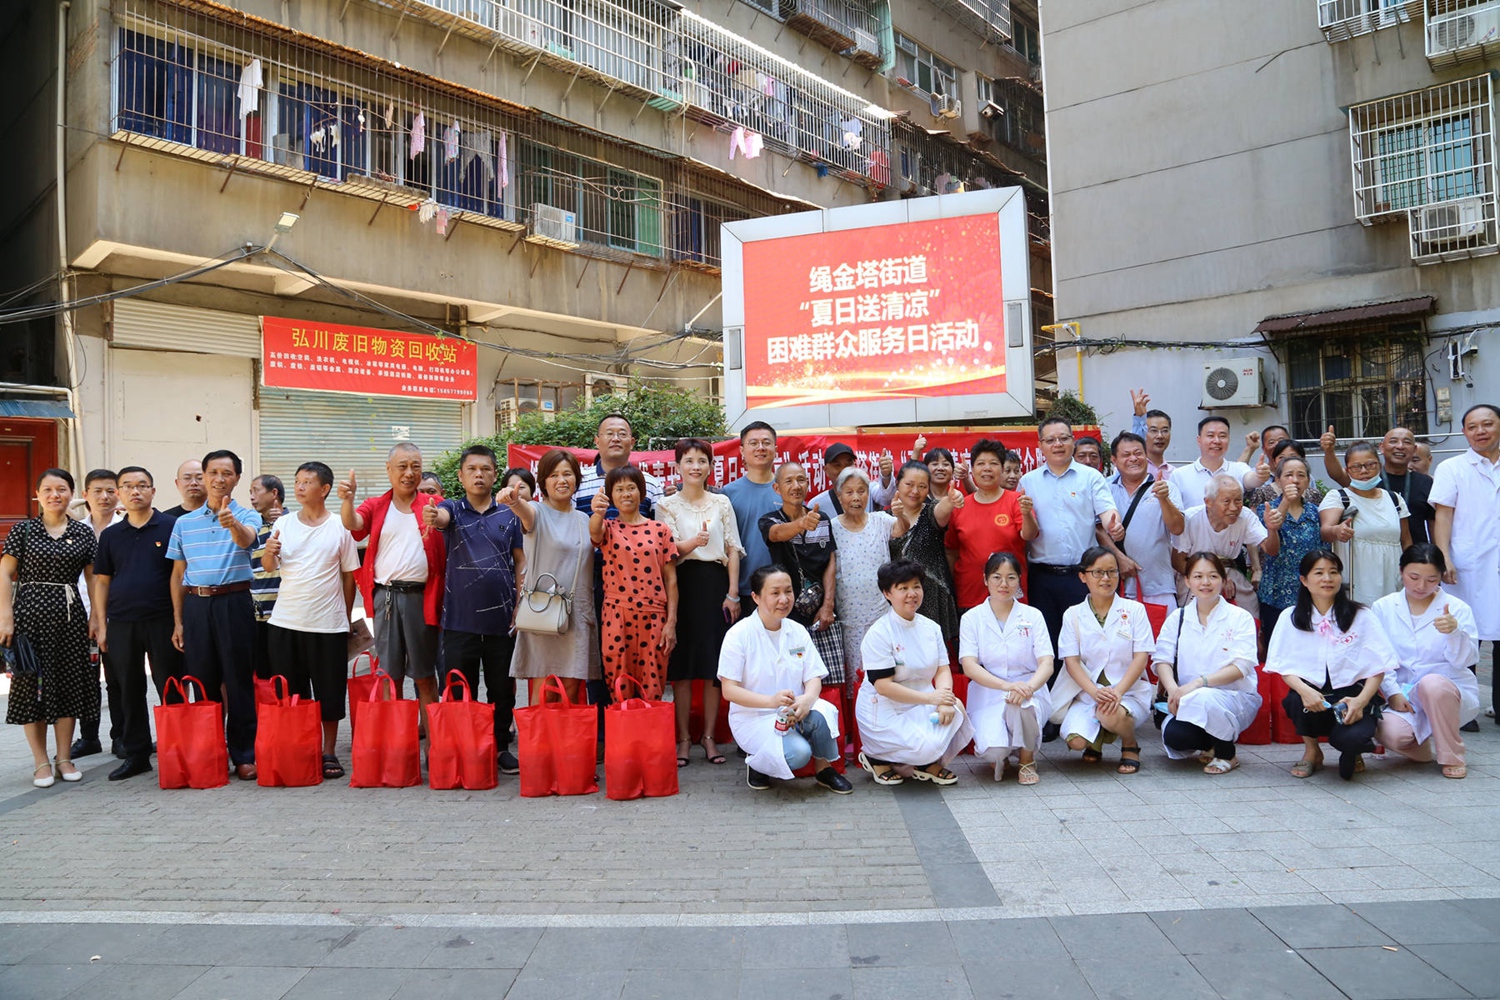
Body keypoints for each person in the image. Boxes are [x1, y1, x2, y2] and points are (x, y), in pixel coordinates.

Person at [424, 445, 525, 774]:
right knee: (457, 688)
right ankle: (462, 748)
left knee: (501, 690)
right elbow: (440, 518)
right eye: (472, 469)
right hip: (459, 620)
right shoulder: (452, 509)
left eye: (485, 469)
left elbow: (520, 562)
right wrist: (433, 516)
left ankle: (500, 747)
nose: (478, 475)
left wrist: (520, 606)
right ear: (461, 476)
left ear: (495, 475)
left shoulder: (510, 514)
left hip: (501, 620)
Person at [262, 462, 360, 781]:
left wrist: (346, 617)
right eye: (297, 482)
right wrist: (269, 551)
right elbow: (268, 566)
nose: (300, 487)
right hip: (285, 622)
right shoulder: (284, 523)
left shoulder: (340, 526)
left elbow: (349, 577)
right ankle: (301, 749)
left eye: (307, 482)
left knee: (330, 692)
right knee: (291, 692)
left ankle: (328, 751)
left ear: (325, 489)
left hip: (327, 624)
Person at [168, 450, 262, 780]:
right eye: (213, 472)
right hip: (196, 605)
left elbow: (246, 540)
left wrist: (231, 523)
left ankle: (244, 754)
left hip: (233, 603)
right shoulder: (183, 523)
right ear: (204, 476)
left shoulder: (248, 515)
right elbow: (177, 574)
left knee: (238, 681)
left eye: (227, 473)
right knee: (202, 681)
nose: (219, 479)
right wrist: (178, 621)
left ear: (237, 479)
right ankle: (210, 752)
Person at [1, 469, 98, 787]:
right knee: (30, 686)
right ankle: (41, 761)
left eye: (61, 489)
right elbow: (5, 573)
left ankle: (64, 758)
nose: (55, 495)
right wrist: (5, 615)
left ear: (72, 493)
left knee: (68, 684)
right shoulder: (24, 530)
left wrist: (97, 616)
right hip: (28, 617)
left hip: (70, 619)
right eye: (48, 490)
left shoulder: (83, 533)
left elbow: (94, 578)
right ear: (38, 495)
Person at [717, 564, 852, 793]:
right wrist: (771, 701)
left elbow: (813, 676)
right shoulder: (738, 635)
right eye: (775, 593)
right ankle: (758, 762)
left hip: (794, 710)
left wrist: (807, 700)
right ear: (756, 597)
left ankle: (824, 770)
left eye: (788, 591)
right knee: (799, 754)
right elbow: (729, 690)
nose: (784, 599)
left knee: (823, 713)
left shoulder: (797, 630)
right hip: (755, 718)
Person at [90, 465, 186, 781]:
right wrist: (102, 624)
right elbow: (102, 581)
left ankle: (178, 752)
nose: (135, 491)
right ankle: (137, 755)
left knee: (170, 686)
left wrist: (179, 621)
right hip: (122, 623)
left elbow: (179, 576)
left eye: (142, 485)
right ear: (119, 492)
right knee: (128, 690)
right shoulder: (111, 535)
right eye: (128, 486)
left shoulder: (171, 526)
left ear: (153, 491)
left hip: (162, 621)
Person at [1265, 549, 1393, 780]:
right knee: (1296, 700)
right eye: (1319, 573)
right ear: (1304, 580)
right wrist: (1305, 691)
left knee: (1353, 740)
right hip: (1314, 697)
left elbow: (1378, 666)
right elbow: (1283, 666)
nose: (1327, 578)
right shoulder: (1290, 617)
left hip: (1353, 696)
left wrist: (1361, 700)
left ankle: (1352, 749)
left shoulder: (1361, 615)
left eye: (1333, 572)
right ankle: (1312, 751)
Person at [340, 443, 446, 715]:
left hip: (421, 599)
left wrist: (437, 517)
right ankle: (397, 739)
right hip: (385, 598)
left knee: (424, 675)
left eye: (415, 467)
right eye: (402, 466)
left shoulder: (433, 505)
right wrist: (348, 501)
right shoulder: (376, 505)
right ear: (389, 470)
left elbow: (446, 521)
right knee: (389, 673)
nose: (409, 473)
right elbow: (353, 524)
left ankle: (431, 738)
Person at [657, 438, 743, 768]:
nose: (696, 466)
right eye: (689, 460)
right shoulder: (666, 505)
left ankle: (708, 737)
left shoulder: (721, 502)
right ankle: (683, 738)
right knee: (681, 669)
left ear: (710, 466)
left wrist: (732, 593)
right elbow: (668, 550)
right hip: (681, 586)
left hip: (715, 585)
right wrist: (694, 542)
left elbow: (733, 548)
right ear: (678, 466)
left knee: (712, 668)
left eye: (702, 461)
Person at [854, 559, 973, 786]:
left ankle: (923, 763)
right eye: (903, 588)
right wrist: (932, 699)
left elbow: (942, 670)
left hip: (923, 702)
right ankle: (877, 757)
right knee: (927, 747)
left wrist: (944, 700)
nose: (912, 594)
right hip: (886, 709)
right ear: (887, 593)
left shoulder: (931, 628)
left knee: (955, 708)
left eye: (916, 586)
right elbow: (883, 686)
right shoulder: (879, 633)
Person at [1372, 545, 1479, 779]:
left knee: (1432, 684)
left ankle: (1452, 755)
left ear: (1441, 576)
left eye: (1431, 580)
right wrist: (1392, 692)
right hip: (1406, 694)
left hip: (1448, 691)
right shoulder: (1383, 607)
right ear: (1401, 571)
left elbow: (1465, 661)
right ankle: (1421, 750)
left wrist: (1454, 632)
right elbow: (1379, 657)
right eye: (1414, 577)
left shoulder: (1457, 608)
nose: (1421, 586)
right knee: (1389, 732)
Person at [1019, 417, 1123, 654]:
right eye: (1050, 440)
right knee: (1047, 643)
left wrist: (1113, 524)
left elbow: (1107, 510)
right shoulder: (1028, 481)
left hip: (1082, 576)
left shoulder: (1091, 477)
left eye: (1063, 438)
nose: (1058, 444)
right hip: (1042, 577)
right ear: (1040, 445)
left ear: (1072, 441)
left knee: (1086, 642)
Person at [502, 449, 598, 704]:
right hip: (543, 612)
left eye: (567, 474)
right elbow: (523, 510)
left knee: (573, 688)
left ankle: (567, 734)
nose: (561, 480)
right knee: (545, 686)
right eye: (554, 475)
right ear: (543, 482)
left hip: (578, 614)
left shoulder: (584, 519)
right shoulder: (536, 511)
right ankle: (540, 733)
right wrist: (513, 500)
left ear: (577, 478)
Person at [1152, 553, 1262, 775]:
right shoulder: (1178, 617)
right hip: (1187, 698)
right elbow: (1162, 659)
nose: (1205, 582)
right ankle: (1211, 743)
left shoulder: (1240, 617)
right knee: (1175, 737)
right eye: (1198, 576)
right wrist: (1173, 691)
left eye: (1213, 576)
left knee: (1203, 697)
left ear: (1223, 580)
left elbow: (1241, 667)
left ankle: (1227, 754)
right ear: (1187, 581)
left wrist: (1197, 684)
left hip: (1234, 697)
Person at [1051, 547, 1156, 773]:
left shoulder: (1135, 610)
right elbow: (1071, 662)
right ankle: (1095, 739)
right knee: (1076, 742)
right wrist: (1094, 692)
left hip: (1127, 692)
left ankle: (1130, 744)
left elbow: (1141, 657)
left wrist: (1118, 692)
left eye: (1112, 572)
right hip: (1088, 693)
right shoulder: (1073, 614)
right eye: (1098, 572)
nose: (1106, 578)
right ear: (1083, 576)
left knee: (1108, 713)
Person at [959, 552, 1054, 784]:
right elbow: (969, 666)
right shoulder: (972, 618)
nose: (1004, 584)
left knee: (1023, 706)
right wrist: (1007, 686)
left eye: (1011, 577)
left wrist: (1028, 688)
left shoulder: (1033, 615)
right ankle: (1003, 752)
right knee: (994, 751)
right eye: (996, 577)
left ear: (1019, 580)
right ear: (985, 579)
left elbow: (1047, 663)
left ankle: (1026, 759)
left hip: (1028, 686)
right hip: (990, 688)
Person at [1431, 403, 1500, 721]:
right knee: (1464, 635)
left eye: (1487, 424)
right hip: (1467, 566)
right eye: (1472, 427)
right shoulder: (1452, 468)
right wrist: (1444, 556)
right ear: (1464, 432)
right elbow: (1443, 517)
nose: (1480, 431)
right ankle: (1463, 711)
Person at [589, 464, 678, 704]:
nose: (626, 494)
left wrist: (671, 622)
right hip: (617, 615)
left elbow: (671, 580)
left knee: (654, 684)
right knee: (618, 681)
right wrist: (597, 512)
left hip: (654, 616)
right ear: (611, 495)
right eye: (619, 489)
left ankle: (649, 729)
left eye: (631, 488)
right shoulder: (608, 527)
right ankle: (623, 729)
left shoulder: (660, 529)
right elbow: (594, 533)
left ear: (642, 492)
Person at [758, 462, 843, 700]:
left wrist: (828, 605)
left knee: (830, 680)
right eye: (789, 481)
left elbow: (830, 563)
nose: (796, 486)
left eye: (801, 480)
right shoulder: (769, 520)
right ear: (777, 488)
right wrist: (801, 524)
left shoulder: (822, 519)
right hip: (786, 613)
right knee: (792, 678)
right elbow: (776, 534)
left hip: (822, 612)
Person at [830, 467, 910, 693]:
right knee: (856, 674)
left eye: (861, 491)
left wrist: (901, 514)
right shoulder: (832, 527)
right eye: (849, 492)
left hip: (881, 612)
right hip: (849, 615)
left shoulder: (880, 520)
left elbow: (901, 529)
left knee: (885, 667)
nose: (856, 497)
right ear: (839, 496)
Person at [945, 440, 1034, 615]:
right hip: (970, 594)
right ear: (972, 470)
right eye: (981, 464)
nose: (987, 468)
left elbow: (1029, 535)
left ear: (1001, 469)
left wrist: (1027, 514)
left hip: (1010, 594)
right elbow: (951, 551)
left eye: (993, 463)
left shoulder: (1016, 501)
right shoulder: (960, 506)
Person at [1318, 441, 1411, 603]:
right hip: (1357, 579)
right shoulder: (1339, 497)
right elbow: (1325, 531)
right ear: (1347, 470)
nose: (1364, 471)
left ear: (1379, 465)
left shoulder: (1394, 499)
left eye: (1370, 465)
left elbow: (1406, 540)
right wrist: (1337, 531)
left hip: (1392, 577)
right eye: (1356, 467)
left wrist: (1410, 570)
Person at [1100, 431, 1184, 609]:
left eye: (1138, 453)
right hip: (1114, 587)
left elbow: (1178, 528)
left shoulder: (1167, 488)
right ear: (1114, 460)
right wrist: (1119, 558)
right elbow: (1097, 529)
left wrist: (1164, 499)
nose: (1133, 458)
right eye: (1126, 454)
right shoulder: (1104, 489)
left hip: (1158, 588)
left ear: (1146, 456)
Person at [1173, 474, 1275, 615]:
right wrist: (1214, 580)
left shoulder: (1245, 516)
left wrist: (1272, 529)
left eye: (1238, 500)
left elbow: (1271, 549)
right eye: (1226, 501)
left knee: (1249, 612)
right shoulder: (1190, 518)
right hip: (1195, 574)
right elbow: (1177, 561)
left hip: (1230, 572)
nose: (1233, 508)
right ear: (1208, 502)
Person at [71, 468, 120, 760]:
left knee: (119, 679)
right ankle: (89, 737)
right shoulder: (75, 530)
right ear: (85, 494)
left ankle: (121, 735)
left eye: (110, 491)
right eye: (97, 491)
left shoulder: (126, 527)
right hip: (80, 616)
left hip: (118, 617)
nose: (104, 497)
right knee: (85, 680)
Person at [1320, 426, 1434, 545]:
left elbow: (1433, 523)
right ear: (1382, 447)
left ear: (1414, 449)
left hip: (1415, 551)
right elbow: (1337, 474)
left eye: (1407, 442)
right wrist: (1329, 451)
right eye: (1393, 441)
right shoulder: (1366, 478)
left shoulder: (1426, 482)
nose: (1400, 446)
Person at [1256, 455, 1325, 648]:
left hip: (1310, 594)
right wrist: (1286, 501)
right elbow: (1271, 550)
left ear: (1308, 481)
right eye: (1289, 475)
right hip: (1275, 594)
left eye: (1301, 475)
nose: (1295, 480)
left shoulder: (1316, 513)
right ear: (1278, 480)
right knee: (1277, 649)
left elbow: (1322, 552)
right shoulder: (1265, 509)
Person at [890, 461, 962, 638]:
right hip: (899, 598)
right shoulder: (884, 518)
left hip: (934, 597)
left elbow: (941, 510)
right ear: (898, 484)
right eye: (909, 484)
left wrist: (950, 500)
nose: (915, 491)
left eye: (922, 486)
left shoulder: (930, 512)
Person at [723, 421, 782, 620]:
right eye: (753, 443)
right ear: (742, 450)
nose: (760, 448)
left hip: (781, 590)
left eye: (766, 442)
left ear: (776, 448)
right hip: (742, 591)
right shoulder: (729, 493)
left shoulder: (787, 490)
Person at [1169, 416, 1270, 508]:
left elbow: (1251, 479)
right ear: (1199, 440)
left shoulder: (1239, 468)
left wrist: (1259, 475)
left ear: (1228, 439)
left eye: (1222, 436)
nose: (1217, 441)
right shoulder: (1179, 475)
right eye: (1210, 435)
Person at [248, 474, 284, 681]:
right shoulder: (250, 527)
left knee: (288, 673)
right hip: (258, 613)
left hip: (286, 614)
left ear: (274, 493)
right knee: (263, 676)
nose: (252, 497)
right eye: (250, 492)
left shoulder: (293, 523)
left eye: (256, 491)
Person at [1243, 440, 1324, 511]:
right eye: (1281, 457)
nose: (1287, 461)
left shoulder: (1314, 494)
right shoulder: (1262, 493)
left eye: (1293, 457)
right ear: (1274, 462)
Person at [1128, 389, 1173, 480]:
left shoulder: (1175, 474)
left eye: (1165, 430)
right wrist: (1139, 419)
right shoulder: (1132, 468)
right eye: (1153, 430)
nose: (1160, 436)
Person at [808, 442, 860, 515]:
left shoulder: (869, 495)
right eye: (837, 465)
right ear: (826, 470)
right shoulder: (817, 505)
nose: (844, 470)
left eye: (848, 464)